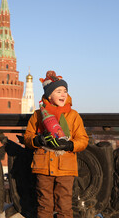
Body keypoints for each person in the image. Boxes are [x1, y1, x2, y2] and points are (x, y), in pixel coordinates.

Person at [24, 70, 89, 218]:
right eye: (58, 91)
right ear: (49, 95)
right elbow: (28, 137)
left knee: (64, 207)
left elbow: (83, 139)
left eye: (65, 91)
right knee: (44, 205)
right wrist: (37, 140)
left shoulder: (73, 115)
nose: (63, 94)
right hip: (43, 166)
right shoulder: (38, 115)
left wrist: (69, 145)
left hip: (65, 167)